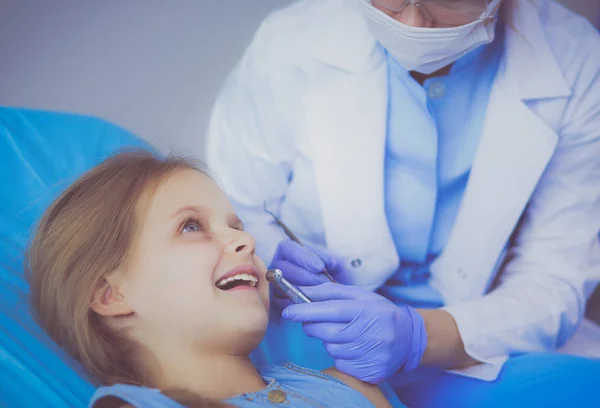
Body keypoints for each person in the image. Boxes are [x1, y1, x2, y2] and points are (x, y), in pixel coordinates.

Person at [205, 0, 600, 405]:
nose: (411, 22)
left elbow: (554, 278)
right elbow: (234, 203)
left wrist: (419, 336)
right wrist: (271, 260)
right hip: (311, 332)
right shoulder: (290, 41)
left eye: (444, 2)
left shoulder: (576, 59)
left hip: (486, 335)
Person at [25, 150, 396, 408]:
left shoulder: (353, 389)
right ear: (111, 294)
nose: (246, 241)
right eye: (191, 226)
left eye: (237, 226)